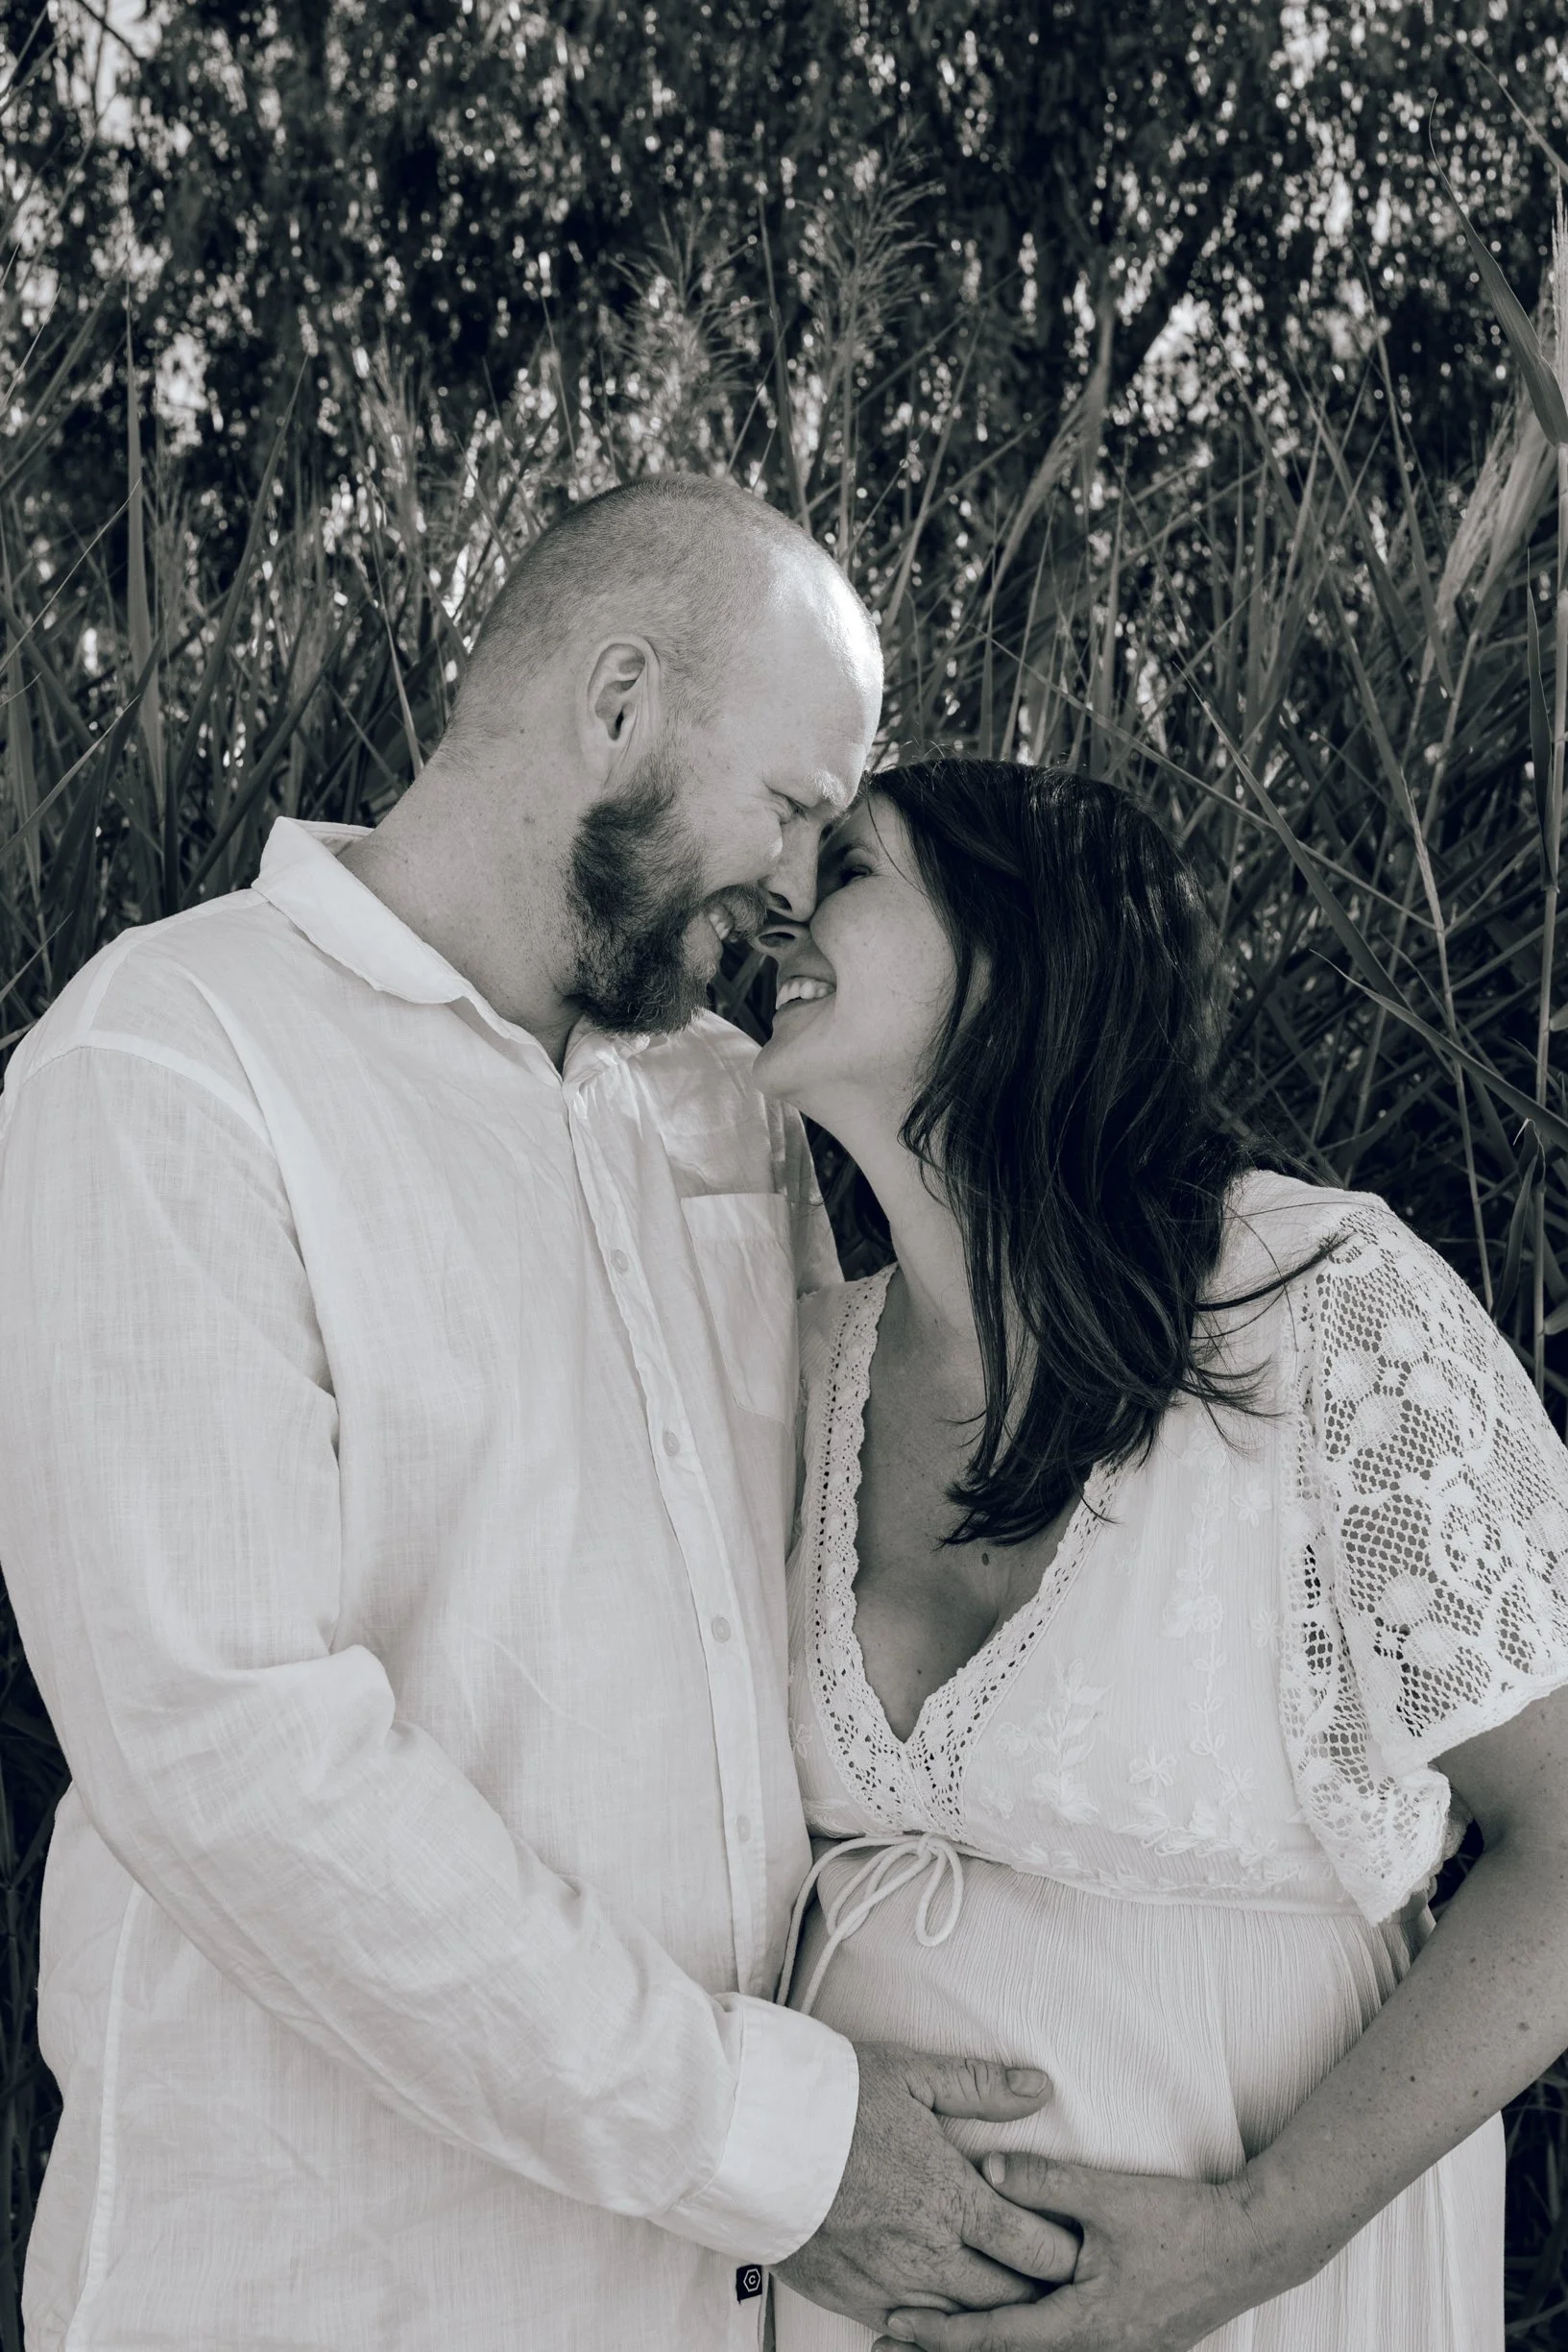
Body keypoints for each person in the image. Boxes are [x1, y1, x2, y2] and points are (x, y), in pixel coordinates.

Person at [0, 483, 1079, 2352]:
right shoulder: (170, 1064)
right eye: (796, 803)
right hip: (322, 2281)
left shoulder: (740, 1101)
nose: (801, 884)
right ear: (619, 706)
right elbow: (240, 1765)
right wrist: (769, 2143)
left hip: (695, 2300)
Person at [755, 758, 1568, 2352]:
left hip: (1260, 2287)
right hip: (850, 2300)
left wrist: (1247, 2244)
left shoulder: (1320, 1304)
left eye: (850, 864)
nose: (783, 898)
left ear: (1016, 957)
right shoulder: (801, 1363)